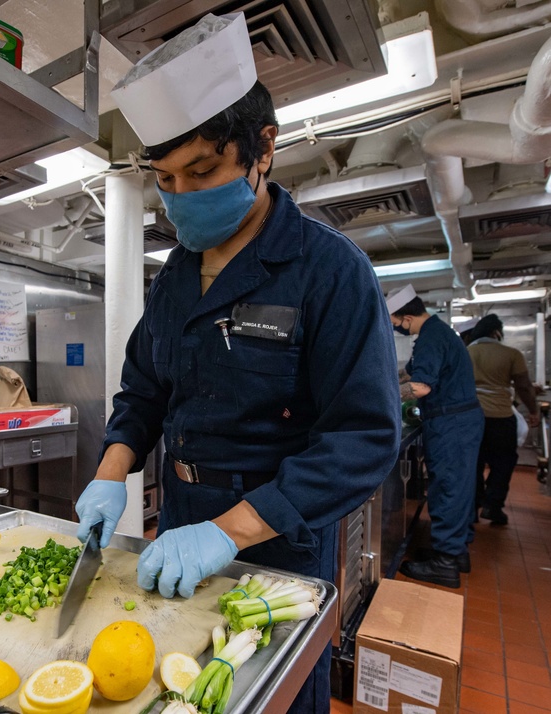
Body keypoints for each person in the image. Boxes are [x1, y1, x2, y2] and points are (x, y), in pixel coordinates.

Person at [74, 14, 401, 713]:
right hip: (184, 518)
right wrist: (108, 479)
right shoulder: (175, 276)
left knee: (268, 696)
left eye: (203, 170)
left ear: (264, 151)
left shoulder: (329, 272)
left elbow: (363, 439)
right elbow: (144, 390)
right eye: (166, 178)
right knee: (186, 694)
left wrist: (227, 533)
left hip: (278, 539)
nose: (182, 197)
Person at [389, 285, 484, 587]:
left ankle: (445, 563)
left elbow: (421, 388)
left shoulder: (432, 336)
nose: (394, 328)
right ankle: (456, 552)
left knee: (448, 488)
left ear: (404, 317)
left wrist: (384, 393)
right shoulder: (437, 333)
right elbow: (412, 374)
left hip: (452, 423)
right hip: (460, 421)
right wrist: (391, 377)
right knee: (460, 485)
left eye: (393, 322)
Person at [468, 314, 538, 525]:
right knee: (503, 463)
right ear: (497, 332)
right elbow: (524, 386)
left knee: (474, 464)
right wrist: (533, 410)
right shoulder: (511, 354)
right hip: (501, 416)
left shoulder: (467, 352)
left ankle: (472, 507)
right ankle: (493, 506)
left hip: (472, 417)